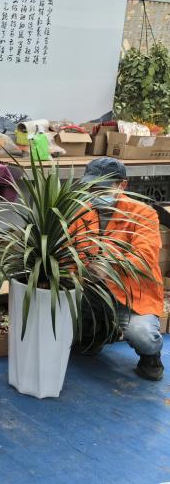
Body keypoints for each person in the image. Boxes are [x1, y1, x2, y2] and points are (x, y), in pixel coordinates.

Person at [72, 157, 164, 381]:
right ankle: (98, 333)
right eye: (92, 187)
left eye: (102, 187)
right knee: (65, 319)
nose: (95, 193)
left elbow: (145, 256)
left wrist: (109, 265)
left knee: (143, 334)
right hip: (92, 292)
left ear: (122, 185)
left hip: (131, 295)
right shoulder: (82, 212)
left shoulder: (143, 213)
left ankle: (151, 355)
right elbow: (69, 250)